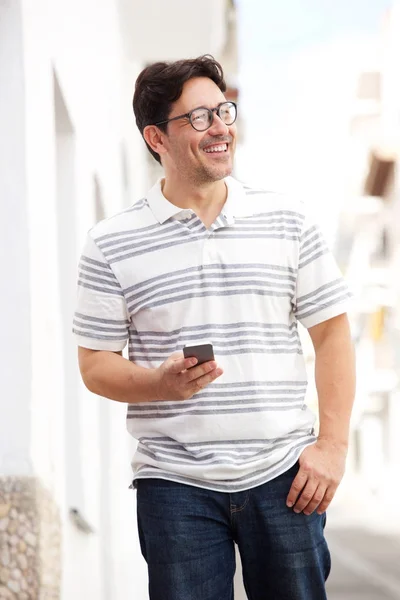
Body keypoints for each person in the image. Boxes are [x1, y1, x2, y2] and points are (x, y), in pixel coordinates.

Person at [74, 55, 355, 600]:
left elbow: (332, 334)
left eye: (224, 110)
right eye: (199, 117)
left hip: (284, 475)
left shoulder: (287, 219)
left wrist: (333, 447)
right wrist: (162, 383)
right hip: (174, 485)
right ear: (157, 137)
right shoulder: (111, 241)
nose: (222, 126)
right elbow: (95, 364)